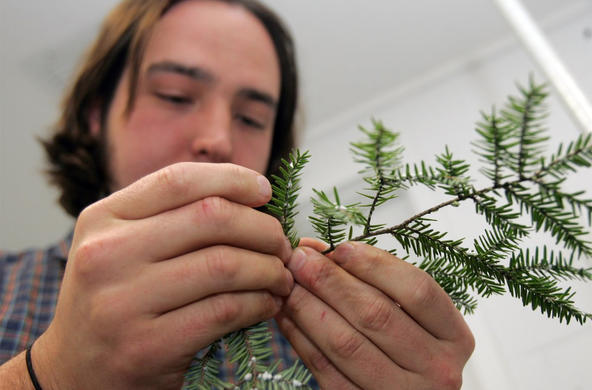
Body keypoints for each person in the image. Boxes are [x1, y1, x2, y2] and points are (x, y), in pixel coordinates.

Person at [0, 0, 475, 388]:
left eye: (250, 118)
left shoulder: (321, 336)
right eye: (175, 94)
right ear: (97, 115)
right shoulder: (7, 287)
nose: (220, 139)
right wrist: (53, 375)